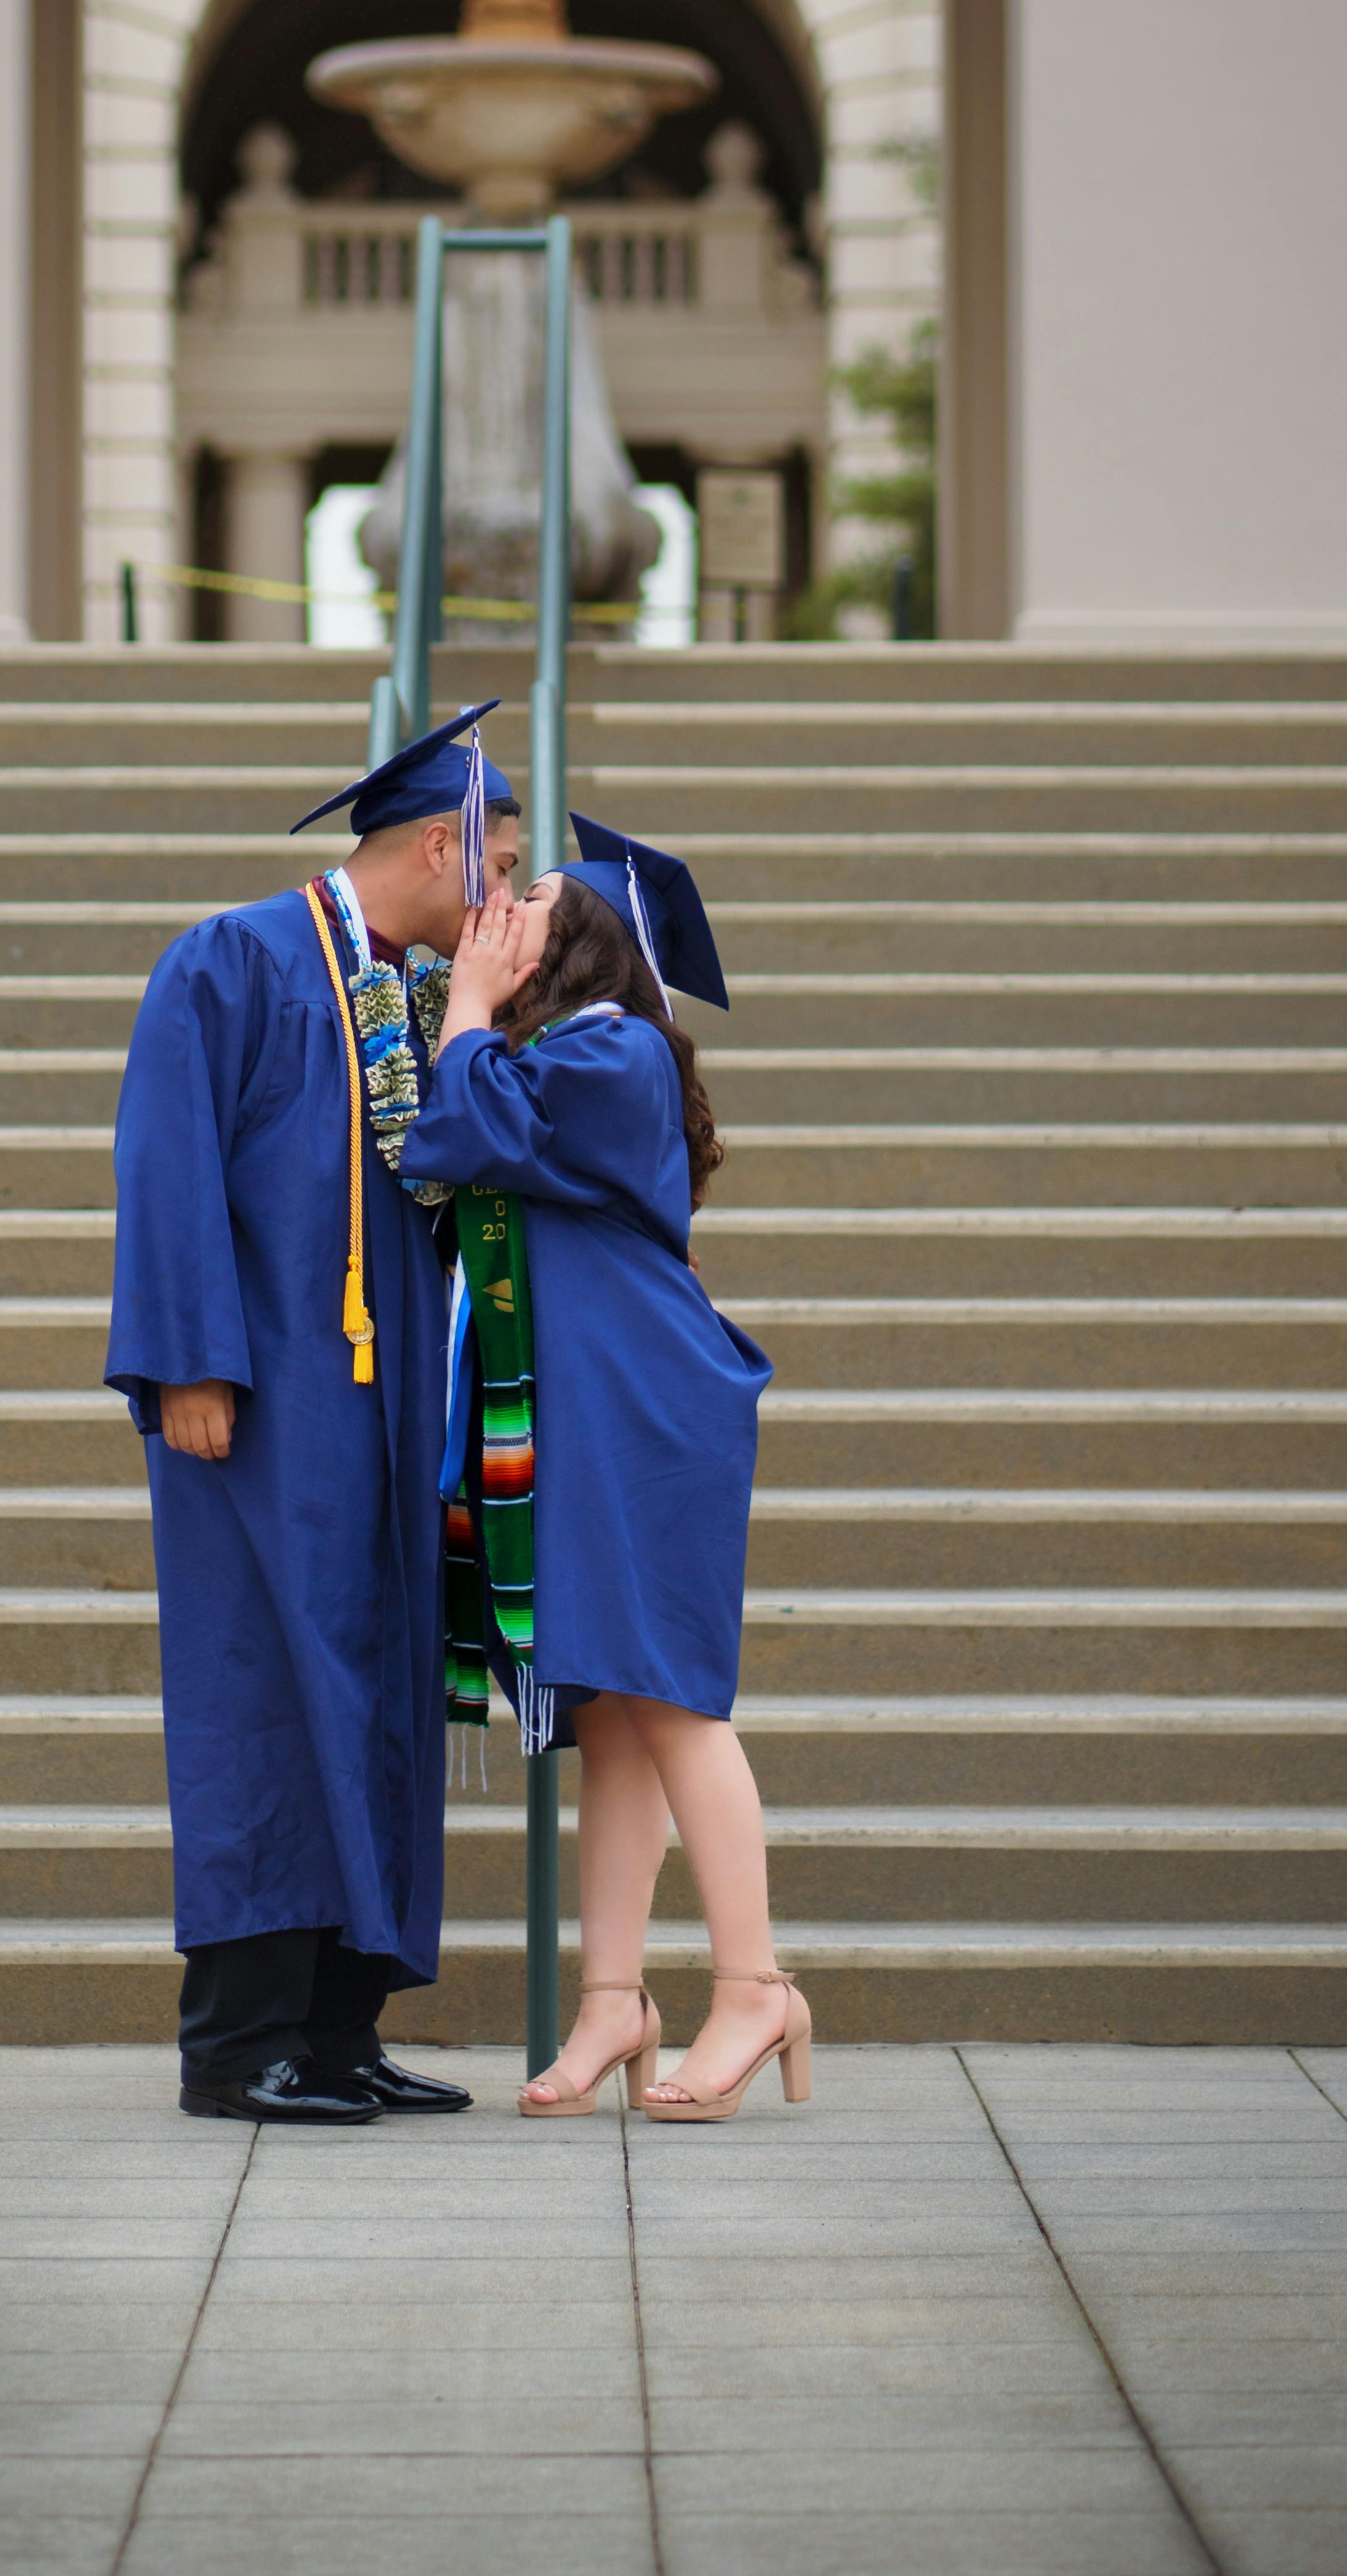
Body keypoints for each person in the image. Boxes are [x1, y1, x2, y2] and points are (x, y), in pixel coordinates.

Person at [107, 702, 521, 2126]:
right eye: (499, 861)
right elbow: (166, 1164)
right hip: (265, 1400)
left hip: (392, 1412)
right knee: (262, 1695)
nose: (508, 891)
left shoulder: (417, 995)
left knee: (379, 1690)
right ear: (430, 844)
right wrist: (186, 1362)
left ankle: (339, 2030)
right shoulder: (235, 957)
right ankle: (237, 2048)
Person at [404, 822, 809, 2123]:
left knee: (675, 1699)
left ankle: (754, 1986)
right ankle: (614, 2002)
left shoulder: (614, 1048)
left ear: (579, 947)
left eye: (527, 904)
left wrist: (466, 1003)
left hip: (644, 1409)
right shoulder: (579, 1052)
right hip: (597, 1404)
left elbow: (466, 1132)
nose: (497, 908)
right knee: (618, 1713)